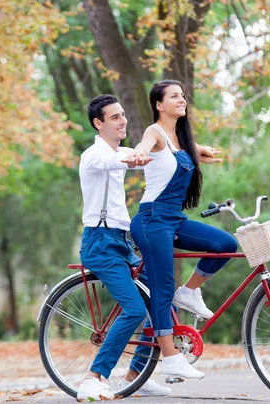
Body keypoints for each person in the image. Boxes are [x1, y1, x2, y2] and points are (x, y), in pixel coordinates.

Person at [128, 80, 239, 380]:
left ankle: (189, 291)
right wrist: (139, 152)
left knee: (225, 244)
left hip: (172, 219)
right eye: (173, 96)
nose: (181, 99)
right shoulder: (156, 133)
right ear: (159, 105)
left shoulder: (180, 138)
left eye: (182, 95)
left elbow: (182, 154)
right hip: (151, 220)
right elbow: (145, 145)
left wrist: (199, 151)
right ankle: (171, 357)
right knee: (161, 289)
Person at [76, 94, 172, 401]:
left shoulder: (122, 151)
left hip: (122, 242)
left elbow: (161, 152)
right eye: (114, 117)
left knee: (162, 304)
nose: (123, 120)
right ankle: (94, 378)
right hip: (100, 243)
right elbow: (111, 161)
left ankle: (135, 376)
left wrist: (194, 153)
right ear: (98, 123)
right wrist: (134, 159)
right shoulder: (93, 155)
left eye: (122, 115)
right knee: (133, 310)